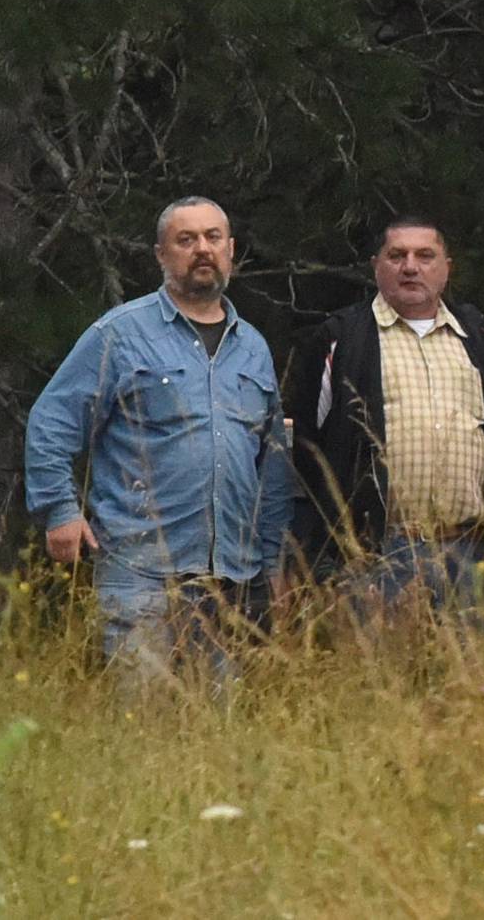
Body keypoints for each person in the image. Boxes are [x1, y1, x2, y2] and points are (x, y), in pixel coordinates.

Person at [24, 195, 293, 684]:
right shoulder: (121, 334)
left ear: (231, 250)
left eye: (213, 238)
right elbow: (52, 420)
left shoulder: (252, 347)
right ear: (161, 255)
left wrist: (272, 560)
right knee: (145, 724)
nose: (202, 250)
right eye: (185, 240)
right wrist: (60, 510)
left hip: (233, 575)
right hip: (140, 571)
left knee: (219, 731)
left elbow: (271, 464)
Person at [283, 215, 484, 618]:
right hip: (373, 556)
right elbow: (308, 446)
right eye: (397, 255)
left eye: (425, 256)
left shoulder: (478, 339)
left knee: (473, 680)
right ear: (376, 266)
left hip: (467, 551)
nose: (410, 267)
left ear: (446, 267)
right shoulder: (342, 338)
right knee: (378, 679)